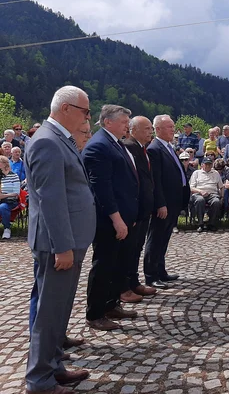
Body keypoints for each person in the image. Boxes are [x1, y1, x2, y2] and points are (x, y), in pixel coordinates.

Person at [25, 86, 95, 394]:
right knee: (50, 313)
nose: (87, 118)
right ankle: (39, 381)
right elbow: (50, 199)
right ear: (65, 109)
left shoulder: (56, 140)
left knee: (59, 309)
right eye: (85, 111)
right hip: (58, 245)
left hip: (69, 240)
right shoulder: (47, 143)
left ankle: (53, 367)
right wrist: (63, 246)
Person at [83, 105, 140, 331]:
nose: (128, 125)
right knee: (104, 265)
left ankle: (111, 304)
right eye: (124, 121)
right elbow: (102, 188)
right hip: (107, 220)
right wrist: (117, 219)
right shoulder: (99, 146)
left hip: (122, 216)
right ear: (108, 122)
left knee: (117, 264)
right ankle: (95, 313)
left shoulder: (113, 143)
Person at [145, 114, 187, 289]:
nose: (173, 130)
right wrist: (160, 204)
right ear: (158, 129)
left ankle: (161, 271)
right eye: (169, 127)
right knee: (156, 239)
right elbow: (156, 180)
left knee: (164, 239)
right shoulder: (155, 149)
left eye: (173, 126)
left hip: (173, 202)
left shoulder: (168, 147)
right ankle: (151, 275)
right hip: (164, 204)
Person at [121, 116, 158, 299]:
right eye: (146, 129)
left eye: (151, 128)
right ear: (133, 130)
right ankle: (124, 287)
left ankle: (134, 282)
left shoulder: (142, 148)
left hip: (143, 209)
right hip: (134, 210)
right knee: (128, 249)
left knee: (137, 248)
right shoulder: (129, 147)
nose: (150, 132)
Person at [189, 157, 224, 232]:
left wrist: (222, 196)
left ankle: (212, 224)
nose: (208, 166)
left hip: (212, 194)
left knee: (216, 202)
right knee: (200, 200)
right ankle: (200, 224)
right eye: (206, 164)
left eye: (209, 164)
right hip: (199, 194)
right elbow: (191, 188)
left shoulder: (215, 173)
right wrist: (201, 192)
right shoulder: (196, 173)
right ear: (202, 165)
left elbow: (221, 187)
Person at [0, 155, 21, 239]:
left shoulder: (14, 176)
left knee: (3, 207)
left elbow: (16, 192)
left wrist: (3, 196)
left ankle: (7, 228)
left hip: (10, 200)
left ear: (5, 164)